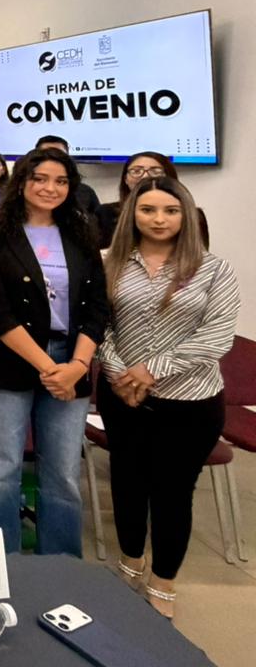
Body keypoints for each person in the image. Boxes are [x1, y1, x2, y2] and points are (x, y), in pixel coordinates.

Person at [98, 177, 240, 619]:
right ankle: (130, 563)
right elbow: (98, 325)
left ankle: (163, 581)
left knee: (173, 492)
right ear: (132, 214)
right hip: (121, 395)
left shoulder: (214, 269)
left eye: (170, 211)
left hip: (190, 401)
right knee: (127, 482)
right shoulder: (108, 263)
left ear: (186, 216)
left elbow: (217, 335)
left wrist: (151, 369)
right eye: (148, 210)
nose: (159, 219)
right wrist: (118, 371)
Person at [0, 148, 110, 556]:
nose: (51, 188)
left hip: (71, 358)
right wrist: (50, 368)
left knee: (63, 471)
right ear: (21, 183)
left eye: (61, 181)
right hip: (8, 360)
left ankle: (61, 564)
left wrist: (77, 365)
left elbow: (97, 307)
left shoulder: (83, 237)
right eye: (40, 179)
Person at [95, 152, 210, 249]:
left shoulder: (193, 214)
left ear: (169, 177)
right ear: (125, 179)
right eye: (136, 171)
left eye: (155, 171)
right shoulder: (106, 213)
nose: (145, 177)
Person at [33, 135, 101, 220]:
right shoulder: (24, 189)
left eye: (60, 156)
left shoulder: (85, 192)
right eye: (47, 155)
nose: (50, 189)